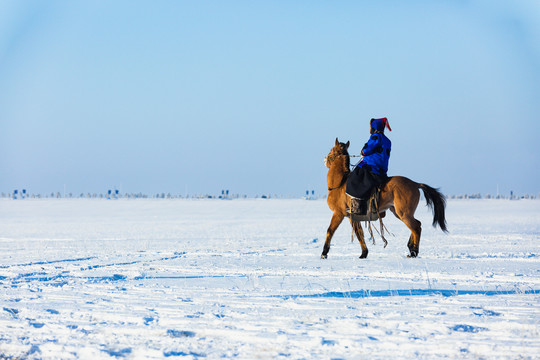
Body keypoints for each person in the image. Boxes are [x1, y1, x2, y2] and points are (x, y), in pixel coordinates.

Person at [346, 117, 392, 214]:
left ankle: (357, 207)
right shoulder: (388, 140)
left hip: (372, 167)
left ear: (374, 127)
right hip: (382, 170)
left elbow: (367, 149)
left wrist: (362, 152)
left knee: (352, 179)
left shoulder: (375, 136)